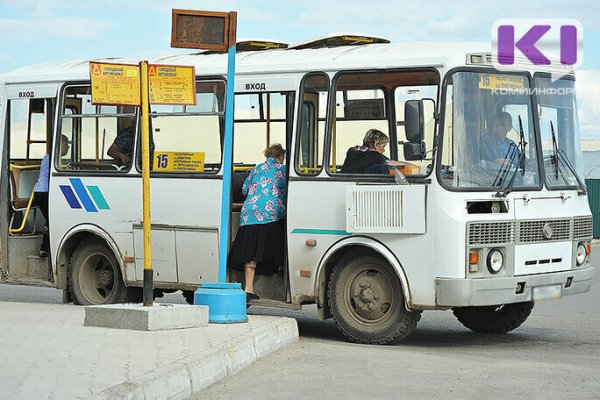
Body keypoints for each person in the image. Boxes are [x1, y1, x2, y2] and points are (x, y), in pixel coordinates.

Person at [228, 144, 287, 302]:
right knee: (277, 243)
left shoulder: (257, 169)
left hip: (249, 214)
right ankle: (281, 269)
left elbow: (244, 189)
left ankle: (248, 289)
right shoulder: (282, 170)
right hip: (271, 214)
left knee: (250, 252)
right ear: (281, 157)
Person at [32, 134, 69, 257]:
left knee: (50, 219)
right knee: (51, 219)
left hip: (42, 192)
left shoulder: (51, 158)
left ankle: (45, 249)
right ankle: (45, 248)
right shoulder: (52, 160)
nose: (68, 147)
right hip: (44, 193)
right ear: (59, 145)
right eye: (65, 144)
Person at [341, 128, 410, 173]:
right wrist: (410, 165)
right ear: (376, 145)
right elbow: (393, 163)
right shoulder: (377, 157)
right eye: (383, 146)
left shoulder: (351, 151)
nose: (384, 150)